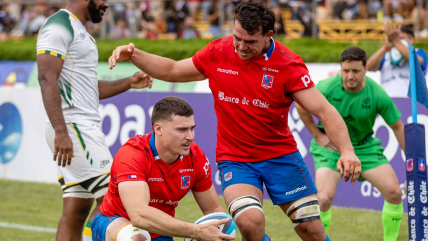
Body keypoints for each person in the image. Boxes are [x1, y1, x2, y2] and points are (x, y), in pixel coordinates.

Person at [107, 1, 361, 240]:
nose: (240, 46)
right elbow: (172, 69)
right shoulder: (218, 52)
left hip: (280, 156)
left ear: (268, 35)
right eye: (237, 37)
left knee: (310, 229)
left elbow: (325, 111)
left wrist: (347, 151)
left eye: (250, 41)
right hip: (236, 159)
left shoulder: (288, 64)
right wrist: (135, 54)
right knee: (249, 223)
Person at [36, 0, 153, 240]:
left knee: (76, 211)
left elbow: (89, 88)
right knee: (118, 198)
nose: (106, 4)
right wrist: (61, 130)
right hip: (73, 127)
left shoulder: (82, 32)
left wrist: (129, 82)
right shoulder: (59, 25)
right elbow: (46, 77)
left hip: (78, 127)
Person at [297, 47, 405, 241]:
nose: (350, 76)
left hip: (364, 148)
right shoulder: (327, 86)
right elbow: (300, 105)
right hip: (331, 149)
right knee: (323, 199)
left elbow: (398, 126)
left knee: (395, 193)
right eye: (345, 71)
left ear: (366, 69)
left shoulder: (376, 93)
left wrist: (410, 159)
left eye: (355, 71)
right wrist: (317, 135)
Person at [91, 96, 235, 241]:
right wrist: (195, 231)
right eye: (182, 130)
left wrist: (222, 233)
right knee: (137, 238)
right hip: (114, 221)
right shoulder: (132, 154)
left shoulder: (196, 157)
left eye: (192, 128)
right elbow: (139, 215)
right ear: (158, 129)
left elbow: (213, 210)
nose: (190, 136)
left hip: (159, 230)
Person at [367, 23, 427, 97]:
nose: (395, 41)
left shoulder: (418, 52)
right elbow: (368, 67)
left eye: (400, 38)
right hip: (388, 104)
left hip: (411, 105)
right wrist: (386, 47)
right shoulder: (386, 55)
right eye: (393, 37)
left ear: (411, 39)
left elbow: (417, 61)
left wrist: (395, 39)